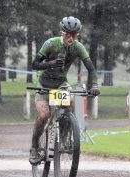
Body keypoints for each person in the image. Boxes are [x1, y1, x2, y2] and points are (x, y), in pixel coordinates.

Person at [29, 16, 100, 165]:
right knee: (44, 115)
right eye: (68, 34)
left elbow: (91, 69)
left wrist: (94, 85)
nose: (71, 38)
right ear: (62, 33)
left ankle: (65, 135)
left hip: (61, 83)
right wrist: (51, 64)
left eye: (74, 35)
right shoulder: (50, 44)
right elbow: (34, 64)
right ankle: (34, 147)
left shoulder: (78, 47)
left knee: (71, 101)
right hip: (44, 83)